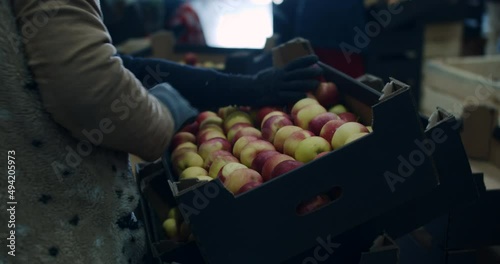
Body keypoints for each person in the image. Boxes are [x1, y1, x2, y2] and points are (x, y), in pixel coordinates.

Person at [0, 0, 322, 263]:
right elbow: (89, 91)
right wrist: (164, 117)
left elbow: (117, 67)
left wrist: (246, 88)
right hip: (60, 231)